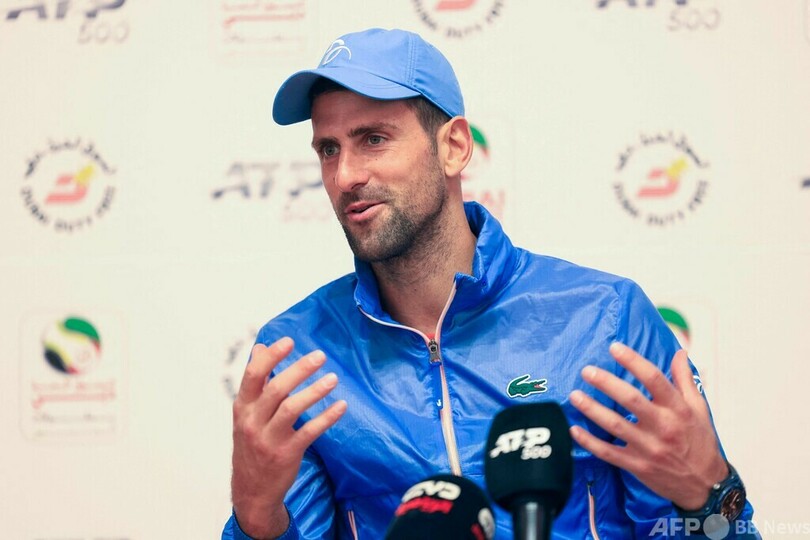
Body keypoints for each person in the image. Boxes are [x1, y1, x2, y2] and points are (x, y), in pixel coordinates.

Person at [222, 28, 758, 539]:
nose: (345, 177)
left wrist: (709, 496)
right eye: (328, 149)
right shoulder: (299, 355)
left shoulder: (605, 318)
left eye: (374, 139)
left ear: (454, 146)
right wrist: (256, 518)